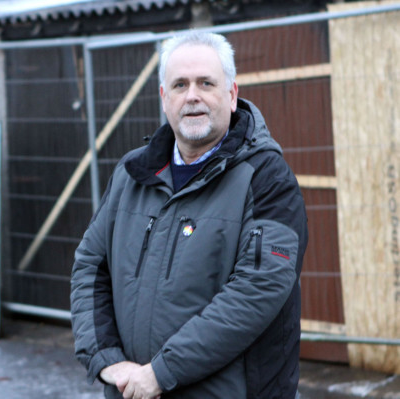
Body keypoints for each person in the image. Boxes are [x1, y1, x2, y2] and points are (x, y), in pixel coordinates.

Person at [70, 30, 308, 399]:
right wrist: (106, 360)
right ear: (165, 99)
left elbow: (258, 291)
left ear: (231, 95)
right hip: (130, 389)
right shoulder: (131, 174)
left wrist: (161, 373)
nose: (192, 95)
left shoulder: (267, 179)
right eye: (180, 84)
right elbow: (90, 265)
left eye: (206, 83)